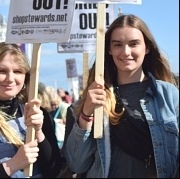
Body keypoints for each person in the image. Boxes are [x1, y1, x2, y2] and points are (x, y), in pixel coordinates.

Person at [63, 14, 179, 178]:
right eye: (117, 45)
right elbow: (76, 164)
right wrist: (86, 113)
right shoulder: (94, 98)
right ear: (109, 50)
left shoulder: (169, 95)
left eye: (133, 44)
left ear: (146, 48)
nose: (125, 52)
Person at [0, 42, 62, 178]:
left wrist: (39, 132)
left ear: (25, 77)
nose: (10, 78)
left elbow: (54, 170)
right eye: (2, 71)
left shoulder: (38, 114)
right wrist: (14, 164)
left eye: (17, 71)